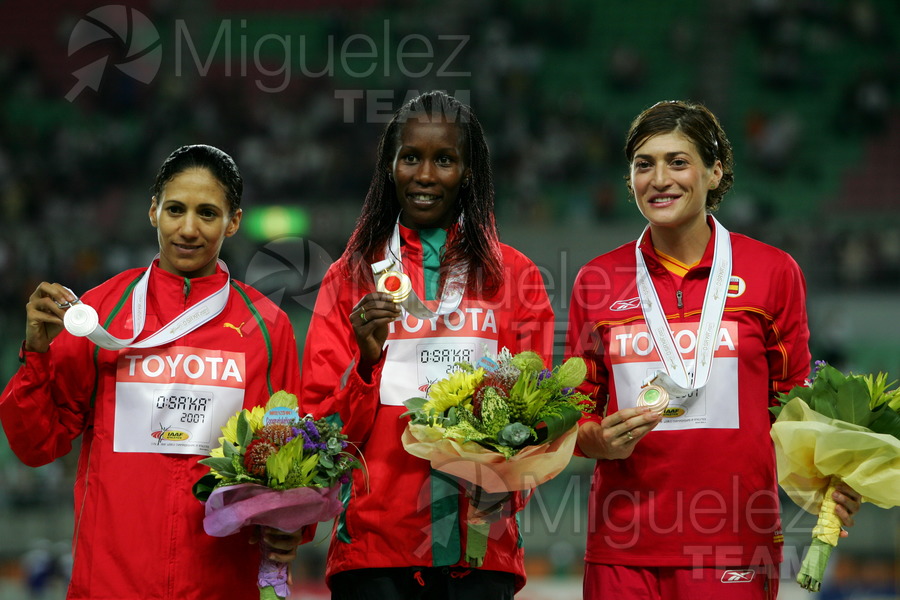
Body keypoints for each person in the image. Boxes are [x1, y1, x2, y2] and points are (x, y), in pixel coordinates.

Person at [564, 100, 862, 600]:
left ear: (714, 171)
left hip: (734, 542)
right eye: (644, 164)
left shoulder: (772, 272)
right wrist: (599, 440)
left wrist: (830, 480)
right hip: (623, 546)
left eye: (678, 162)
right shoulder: (596, 280)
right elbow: (573, 413)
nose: (660, 179)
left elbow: (795, 405)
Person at [0, 144, 305, 599]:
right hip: (110, 585)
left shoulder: (266, 326)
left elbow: (288, 456)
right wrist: (36, 354)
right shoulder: (102, 313)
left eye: (207, 213)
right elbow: (36, 445)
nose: (188, 228)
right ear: (153, 212)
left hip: (219, 585)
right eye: (175, 209)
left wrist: (292, 525)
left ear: (233, 221)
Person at [299, 91, 554, 599]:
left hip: (481, 544)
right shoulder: (350, 278)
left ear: (469, 172)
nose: (425, 175)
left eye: (445, 160)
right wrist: (366, 364)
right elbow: (321, 432)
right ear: (389, 166)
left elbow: (541, 416)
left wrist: (502, 492)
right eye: (411, 157)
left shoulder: (515, 276)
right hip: (374, 549)